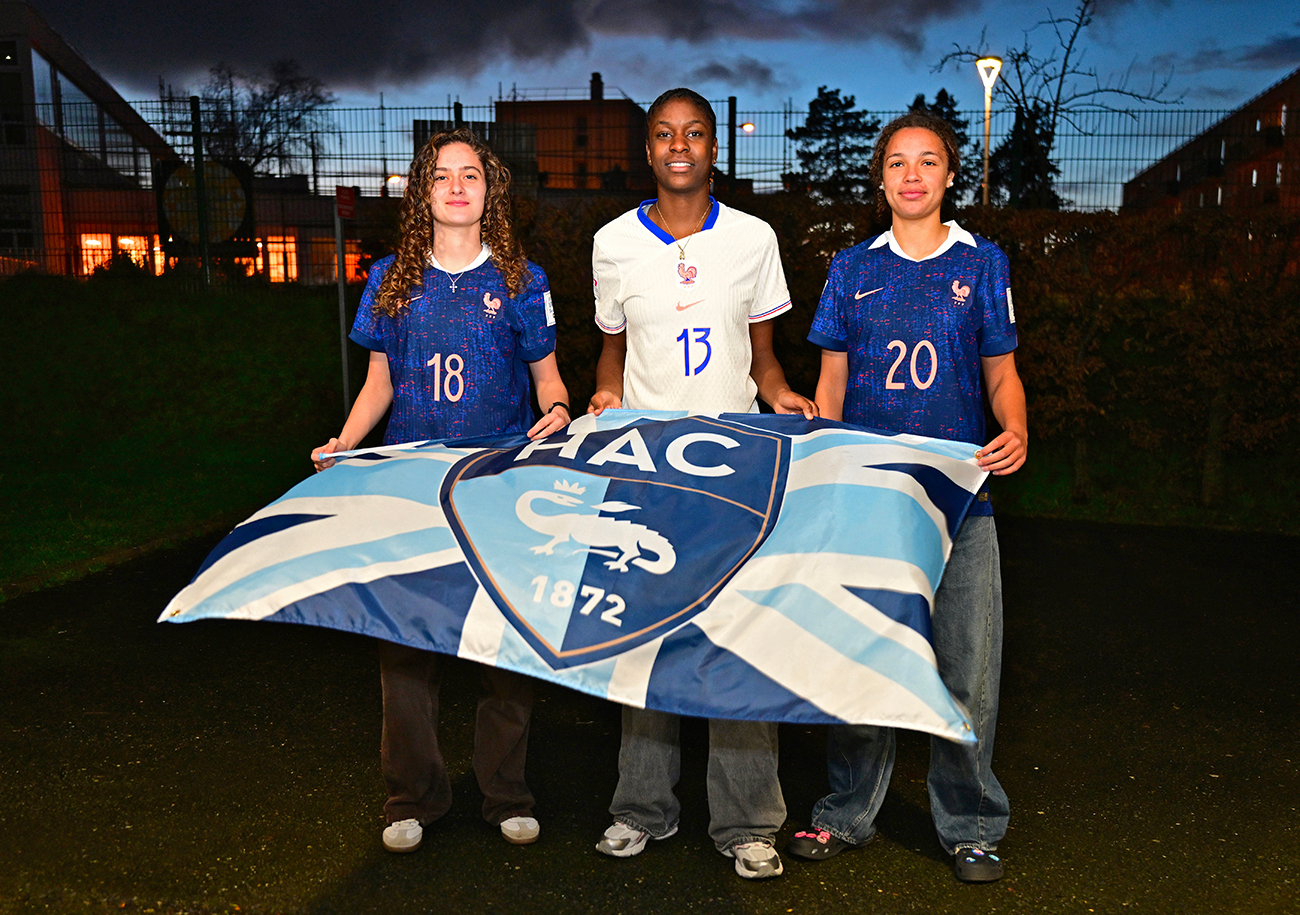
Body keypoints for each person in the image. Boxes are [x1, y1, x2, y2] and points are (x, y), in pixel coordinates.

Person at [311, 127, 571, 854]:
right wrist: (344, 442)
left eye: (471, 175)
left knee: (504, 644)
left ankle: (507, 792)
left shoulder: (523, 280)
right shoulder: (391, 276)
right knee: (405, 647)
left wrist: (555, 414)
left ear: (491, 192)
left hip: (497, 485)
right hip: (410, 487)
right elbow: (378, 384)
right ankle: (412, 796)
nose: (457, 186)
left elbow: (550, 383)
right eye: (441, 175)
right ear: (422, 192)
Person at [788, 111, 1027, 883]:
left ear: (950, 174)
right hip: (870, 500)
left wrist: (1015, 425)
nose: (913, 174)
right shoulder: (852, 267)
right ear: (881, 177)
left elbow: (1001, 371)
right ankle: (845, 811)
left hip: (961, 501)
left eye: (928, 161)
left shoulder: (983, 262)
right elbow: (830, 385)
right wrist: (818, 459)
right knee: (861, 654)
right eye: (898, 162)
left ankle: (971, 823)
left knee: (966, 667)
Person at [587, 87, 817, 880]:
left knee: (736, 635)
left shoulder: (754, 238)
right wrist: (606, 396)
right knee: (641, 636)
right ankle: (640, 806)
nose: (678, 145)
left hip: (734, 465)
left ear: (714, 148)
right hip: (646, 466)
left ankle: (749, 819)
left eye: (694, 133)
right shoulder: (612, 242)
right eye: (662, 134)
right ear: (646, 151)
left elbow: (764, 356)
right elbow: (611, 353)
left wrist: (782, 391)